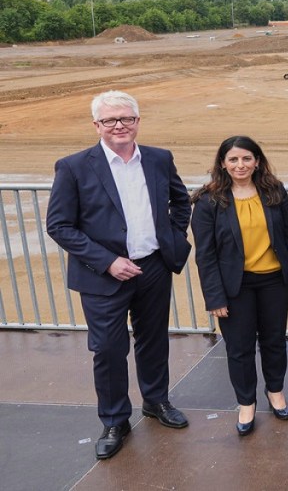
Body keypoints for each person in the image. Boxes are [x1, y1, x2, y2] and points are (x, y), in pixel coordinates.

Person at [45, 90, 192, 460]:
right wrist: (108, 261)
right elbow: (60, 225)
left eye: (126, 118)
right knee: (109, 349)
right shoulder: (74, 166)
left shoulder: (159, 159)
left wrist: (171, 238)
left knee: (154, 340)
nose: (119, 126)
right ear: (97, 125)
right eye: (110, 120)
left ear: (138, 121)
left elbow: (180, 201)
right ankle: (114, 420)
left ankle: (156, 402)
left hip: (153, 268)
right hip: (103, 276)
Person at [190, 136, 288, 436]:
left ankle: (275, 392)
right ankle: (246, 402)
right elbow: (205, 255)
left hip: (274, 281)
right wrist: (214, 297)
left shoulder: (273, 191)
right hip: (235, 286)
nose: (240, 165)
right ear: (223, 163)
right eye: (233, 159)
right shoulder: (208, 201)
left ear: (257, 161)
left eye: (246, 158)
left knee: (274, 341)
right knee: (239, 347)